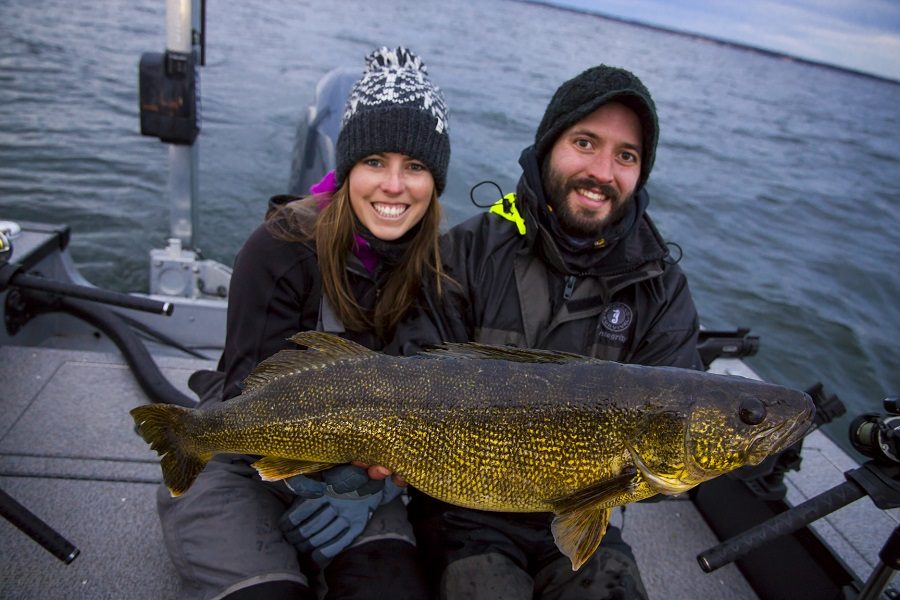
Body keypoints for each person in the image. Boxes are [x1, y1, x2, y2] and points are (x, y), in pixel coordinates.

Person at [395, 64, 703, 599]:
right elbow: (413, 377)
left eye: (626, 156)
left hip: (592, 516)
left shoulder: (662, 289)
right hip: (464, 511)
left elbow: (673, 448)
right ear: (547, 147)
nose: (603, 171)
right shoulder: (466, 252)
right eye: (585, 142)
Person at [156, 46, 449, 600]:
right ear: (347, 167)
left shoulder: (441, 269)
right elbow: (248, 386)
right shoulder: (277, 248)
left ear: (435, 182)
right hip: (240, 440)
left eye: (415, 166)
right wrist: (309, 475)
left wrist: (363, 483)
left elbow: (424, 395)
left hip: (361, 470)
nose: (394, 185)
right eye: (374, 162)